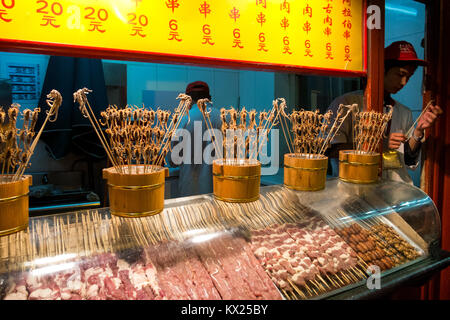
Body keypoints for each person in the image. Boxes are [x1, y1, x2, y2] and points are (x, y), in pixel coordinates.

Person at [327, 41, 442, 184]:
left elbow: (409, 159)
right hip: (354, 188)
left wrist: (418, 131)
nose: (404, 82)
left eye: (409, 77)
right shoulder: (346, 104)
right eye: (400, 74)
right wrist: (381, 143)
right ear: (382, 69)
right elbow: (330, 150)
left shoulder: (404, 112)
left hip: (395, 192)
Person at [171, 81, 222, 197]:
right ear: (209, 98)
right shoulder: (222, 118)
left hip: (190, 190)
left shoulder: (183, 120)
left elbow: (173, 160)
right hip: (219, 189)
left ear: (188, 100)